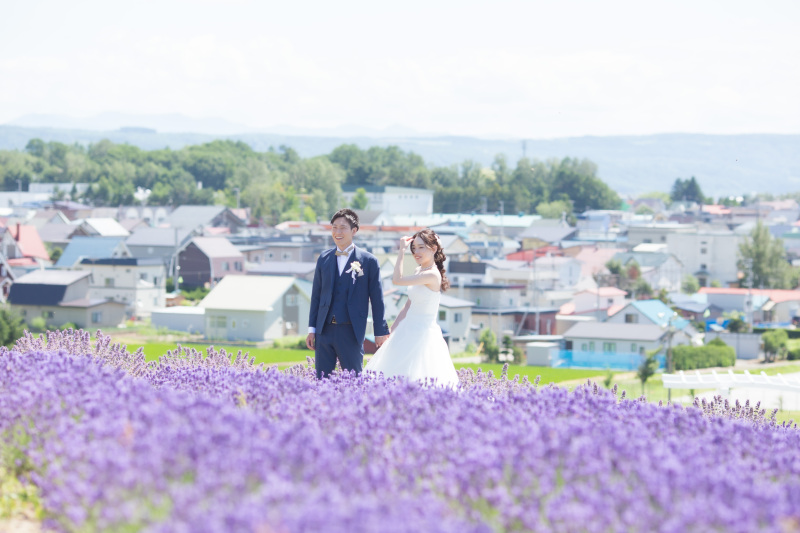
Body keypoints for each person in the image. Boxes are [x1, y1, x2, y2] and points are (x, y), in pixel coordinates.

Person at [364, 228, 459, 387]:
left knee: (420, 376)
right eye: (414, 248)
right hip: (407, 329)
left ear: (434, 249)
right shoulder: (420, 270)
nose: (416, 252)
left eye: (421, 247)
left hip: (423, 333)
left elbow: (397, 279)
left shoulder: (432, 275)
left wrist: (401, 250)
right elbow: (408, 305)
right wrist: (391, 331)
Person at [306, 209, 390, 379]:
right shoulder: (324, 258)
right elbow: (316, 296)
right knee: (322, 381)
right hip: (324, 330)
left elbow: (377, 299)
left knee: (354, 380)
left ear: (354, 231)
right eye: (334, 227)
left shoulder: (369, 261)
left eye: (343, 228)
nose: (338, 232)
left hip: (351, 331)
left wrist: (380, 330)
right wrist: (312, 329)